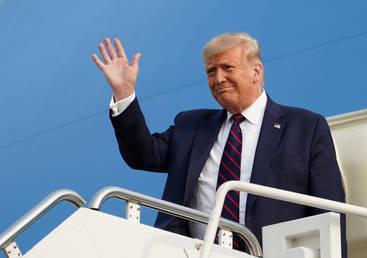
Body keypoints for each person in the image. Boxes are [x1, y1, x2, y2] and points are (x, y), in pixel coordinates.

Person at [92, 32, 347, 256]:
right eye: (211, 72)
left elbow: (329, 213)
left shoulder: (305, 127)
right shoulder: (191, 126)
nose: (219, 78)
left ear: (256, 71)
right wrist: (124, 92)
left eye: (228, 68)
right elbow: (143, 155)